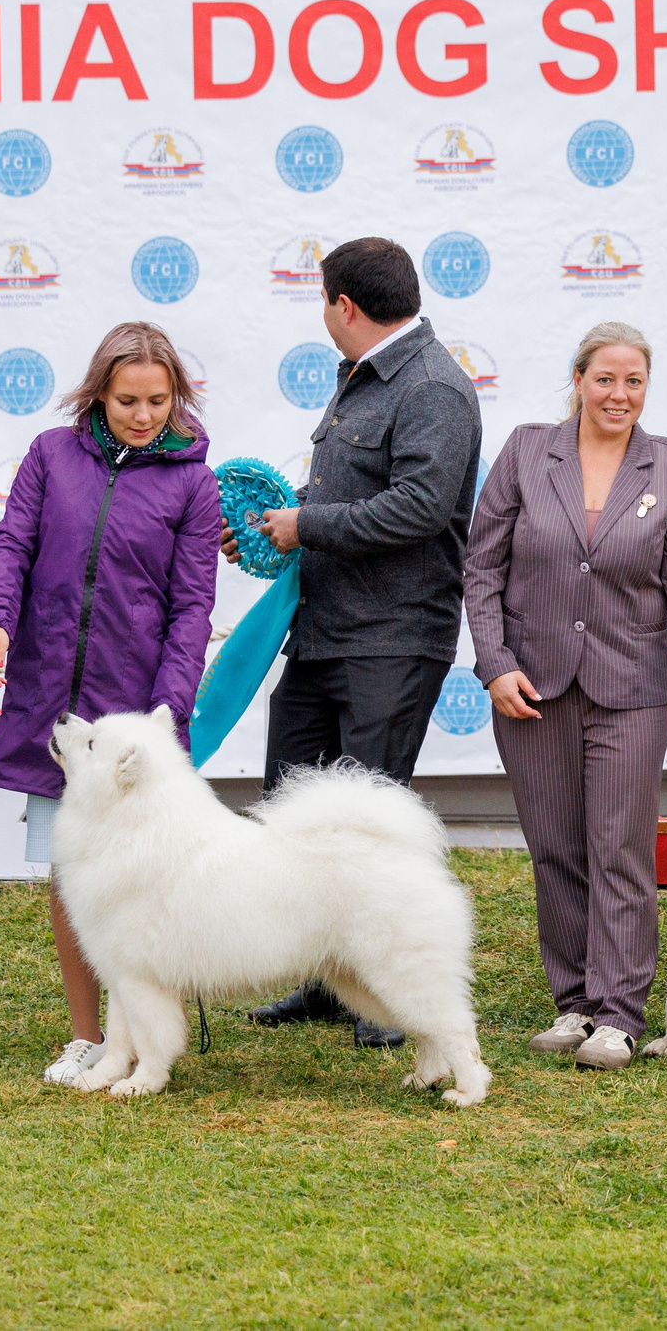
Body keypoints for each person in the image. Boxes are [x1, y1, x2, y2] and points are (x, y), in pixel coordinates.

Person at [464, 323, 667, 1070]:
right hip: (530, 687)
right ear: (578, 380)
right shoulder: (529, 451)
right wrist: (494, 664)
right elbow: (481, 567)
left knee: (619, 848)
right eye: (605, 380)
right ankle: (574, 1003)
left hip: (630, 689)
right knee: (555, 848)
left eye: (633, 382)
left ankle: (620, 1017)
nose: (618, 395)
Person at [233, 236, 482, 1048]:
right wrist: (276, 527)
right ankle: (325, 977)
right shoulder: (362, 379)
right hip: (324, 634)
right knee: (298, 807)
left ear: (343, 304)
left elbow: (421, 507)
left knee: (370, 825)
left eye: (323, 303)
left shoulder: (435, 386)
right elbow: (352, 494)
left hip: (393, 638)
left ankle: (383, 992)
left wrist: (306, 524)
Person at [0, 323, 220, 1088]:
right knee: (72, 877)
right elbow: (11, 542)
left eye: (158, 400)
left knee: (149, 881)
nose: (143, 416)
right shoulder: (51, 456)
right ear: (97, 395)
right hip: (53, 703)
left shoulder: (194, 484)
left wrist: (169, 709)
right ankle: (87, 1038)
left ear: (177, 395)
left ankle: (147, 1036)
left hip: (137, 721)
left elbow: (191, 606)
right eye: (127, 401)